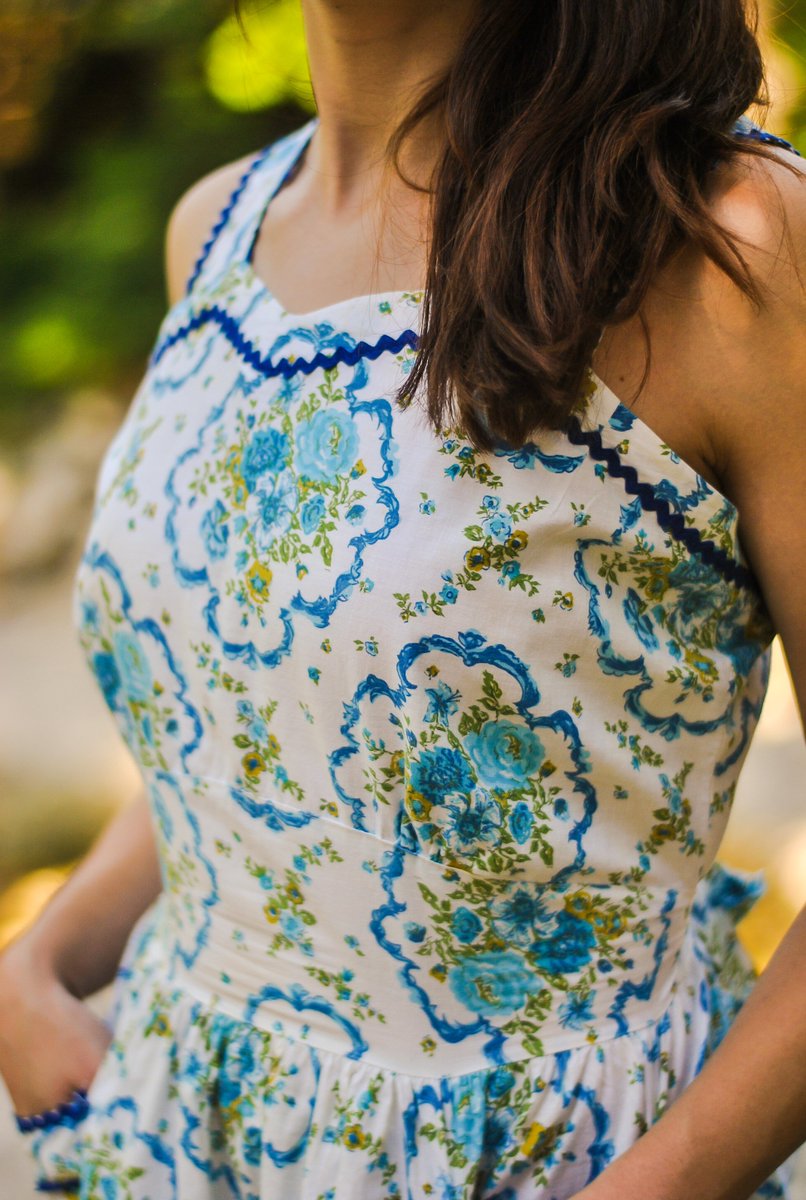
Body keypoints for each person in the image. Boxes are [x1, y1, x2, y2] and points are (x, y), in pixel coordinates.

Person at [1, 1, 804, 1197]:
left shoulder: (728, 244)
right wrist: (37, 964)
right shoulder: (213, 232)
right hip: (175, 1133)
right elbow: (261, 718)